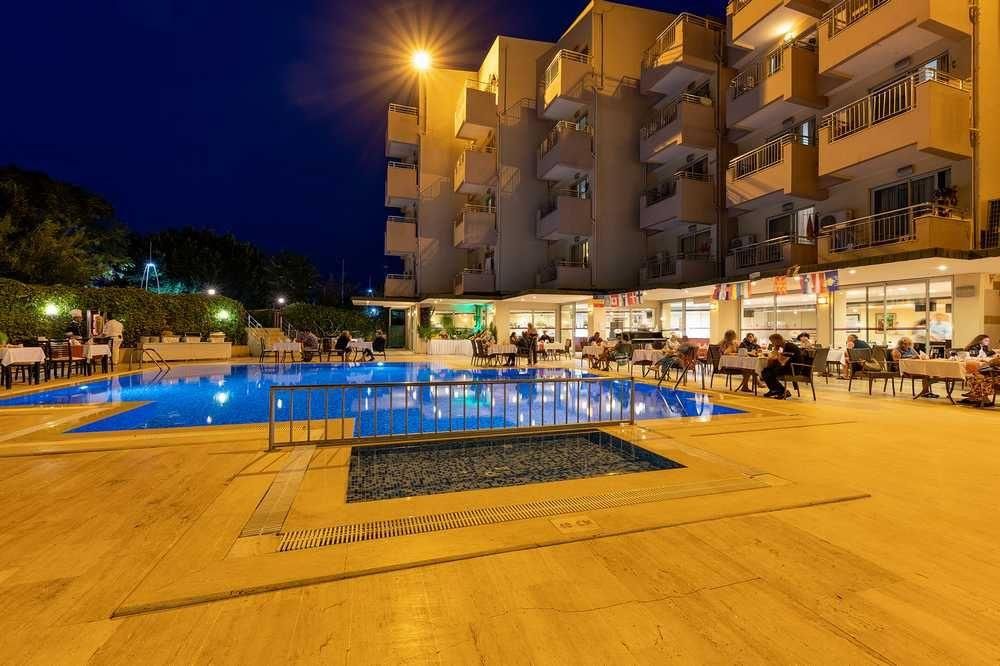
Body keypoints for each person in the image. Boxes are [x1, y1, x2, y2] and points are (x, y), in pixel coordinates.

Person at [760, 333, 802, 399]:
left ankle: (782, 391)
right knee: (766, 371)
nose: (772, 344)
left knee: (767, 372)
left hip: (794, 369)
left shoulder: (789, 346)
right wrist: (775, 351)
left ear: (778, 340)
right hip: (790, 367)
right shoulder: (785, 346)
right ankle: (775, 390)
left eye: (773, 342)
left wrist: (775, 351)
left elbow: (782, 361)